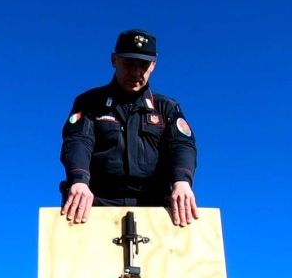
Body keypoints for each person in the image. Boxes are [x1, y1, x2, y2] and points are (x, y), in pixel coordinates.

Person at [60, 29, 198, 226]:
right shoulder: (89, 103)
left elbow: (182, 145)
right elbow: (79, 141)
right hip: (97, 204)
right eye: (128, 63)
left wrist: (182, 181)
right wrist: (79, 180)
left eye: (143, 65)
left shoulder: (167, 108)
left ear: (153, 65)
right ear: (114, 60)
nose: (135, 72)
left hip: (155, 205)